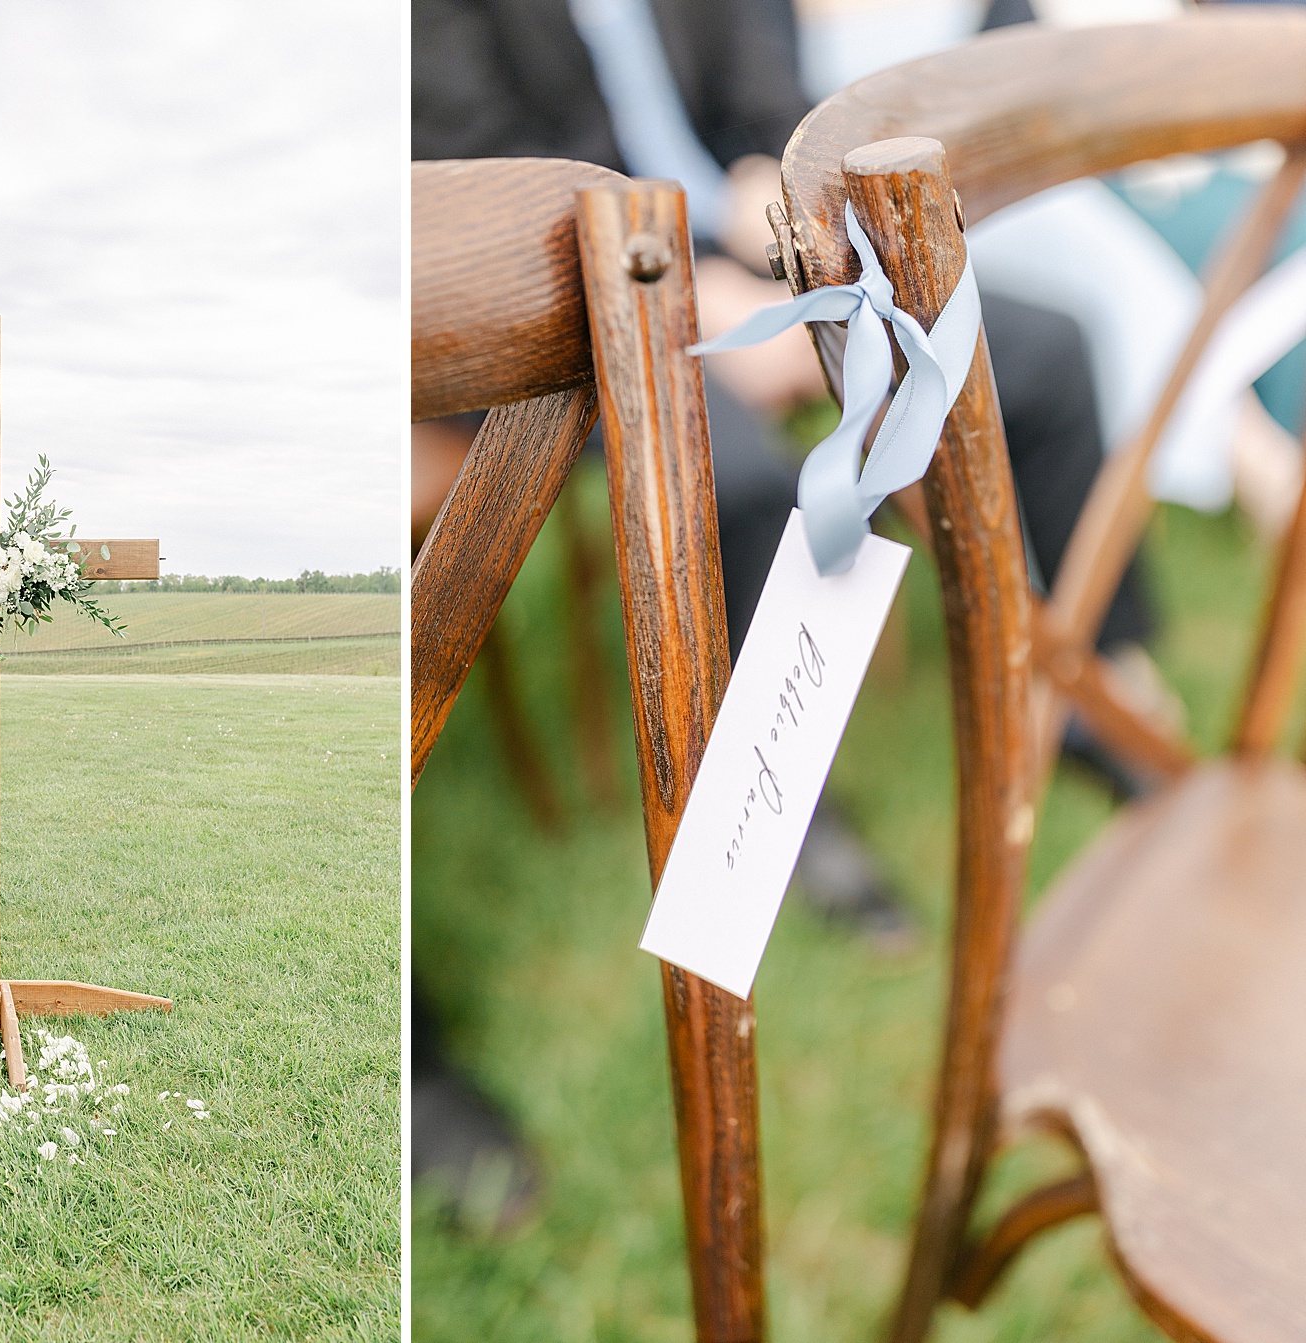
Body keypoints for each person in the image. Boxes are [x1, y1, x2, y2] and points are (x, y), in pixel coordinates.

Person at [411, 0, 1154, 1228]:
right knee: (741, 481)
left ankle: (1088, 679)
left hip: (762, 246)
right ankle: (791, 810)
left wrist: (779, 197)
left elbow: (771, 94)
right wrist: (677, 300)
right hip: (577, 299)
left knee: (1055, 355)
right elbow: (471, 170)